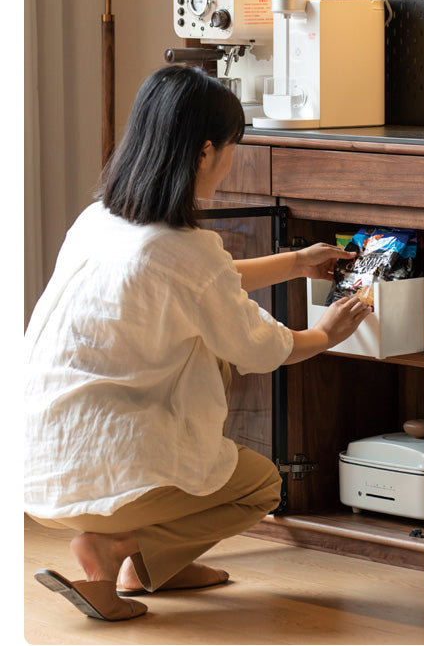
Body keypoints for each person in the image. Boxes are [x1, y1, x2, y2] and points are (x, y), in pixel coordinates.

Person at [24, 64, 371, 621]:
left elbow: (204, 280)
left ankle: (148, 566)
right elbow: (257, 347)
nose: (231, 160)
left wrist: (297, 263)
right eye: (232, 147)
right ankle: (115, 551)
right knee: (261, 484)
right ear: (205, 152)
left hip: (36, 460)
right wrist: (323, 334)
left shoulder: (99, 222)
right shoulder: (181, 252)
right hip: (107, 472)